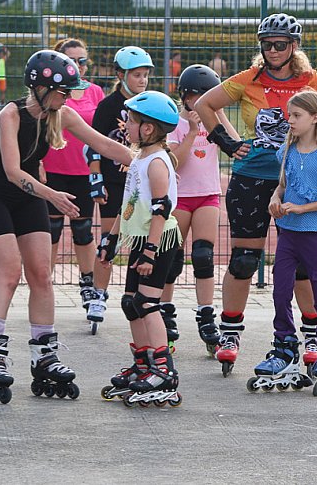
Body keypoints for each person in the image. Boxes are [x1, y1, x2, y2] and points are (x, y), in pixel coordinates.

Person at [194, 13, 317, 377]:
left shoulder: (310, 81)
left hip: (297, 183)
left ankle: (312, 337)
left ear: (294, 47)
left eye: (280, 44)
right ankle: (230, 333)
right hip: (251, 177)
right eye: (266, 44)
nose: (272, 50)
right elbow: (205, 104)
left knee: (301, 264)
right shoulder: (248, 79)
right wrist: (226, 141)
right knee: (244, 260)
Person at [0, 50, 132, 405]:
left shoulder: (62, 115)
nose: (68, 97)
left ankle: (44, 355)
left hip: (28, 197)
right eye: (62, 91)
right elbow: (12, 172)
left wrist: (150, 160)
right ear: (39, 87)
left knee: (41, 273)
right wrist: (53, 196)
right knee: (9, 274)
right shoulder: (11, 114)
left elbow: (102, 144)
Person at [249, 90, 317, 396]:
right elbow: (281, 186)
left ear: (315, 118)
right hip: (287, 232)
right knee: (279, 289)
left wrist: (302, 208)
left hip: (314, 233)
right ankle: (285, 346)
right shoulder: (287, 151)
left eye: (296, 116)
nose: (289, 121)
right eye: (289, 115)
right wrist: (275, 200)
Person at [98, 91, 183, 408]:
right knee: (131, 303)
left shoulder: (156, 163)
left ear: (147, 129)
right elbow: (129, 205)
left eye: (131, 121)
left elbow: (161, 210)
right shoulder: (139, 159)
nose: (125, 125)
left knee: (147, 303)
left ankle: (164, 371)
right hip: (142, 240)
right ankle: (144, 362)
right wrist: (111, 240)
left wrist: (149, 252)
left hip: (158, 242)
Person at [160, 64, 235, 352]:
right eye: (195, 97)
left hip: (208, 195)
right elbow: (174, 161)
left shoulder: (214, 123)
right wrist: (192, 131)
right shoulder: (175, 124)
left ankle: (206, 315)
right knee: (172, 259)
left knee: (203, 256)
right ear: (184, 96)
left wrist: (218, 115)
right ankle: (165, 312)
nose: (199, 102)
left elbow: (235, 144)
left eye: (207, 96)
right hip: (180, 198)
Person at [38, 38, 106, 331]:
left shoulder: (94, 91)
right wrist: (37, 162)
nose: (77, 66)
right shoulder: (49, 92)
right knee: (50, 231)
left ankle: (88, 285)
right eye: (71, 61)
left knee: (82, 231)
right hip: (53, 169)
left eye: (82, 61)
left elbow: (103, 133)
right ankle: (45, 285)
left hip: (83, 171)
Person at [88, 46, 154, 330]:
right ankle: (98, 295)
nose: (142, 80)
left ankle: (137, 293)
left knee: (139, 242)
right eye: (136, 75)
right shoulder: (108, 106)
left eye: (145, 75)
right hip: (114, 183)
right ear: (120, 75)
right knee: (108, 240)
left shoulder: (150, 105)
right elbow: (93, 145)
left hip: (141, 184)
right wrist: (96, 180)